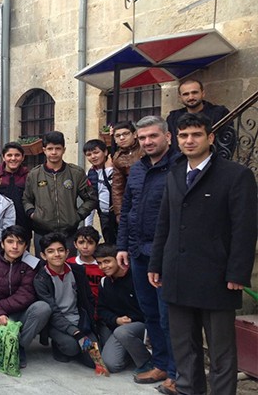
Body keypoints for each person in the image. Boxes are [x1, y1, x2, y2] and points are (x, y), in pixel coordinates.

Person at [149, 112, 257, 395]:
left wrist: (238, 272)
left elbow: (245, 229)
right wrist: (156, 263)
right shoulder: (175, 174)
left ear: (210, 138)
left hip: (217, 276)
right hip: (177, 273)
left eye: (196, 135)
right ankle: (188, 390)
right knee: (184, 346)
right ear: (176, 139)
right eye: (183, 135)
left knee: (221, 351)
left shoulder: (236, 175)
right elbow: (165, 223)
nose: (189, 140)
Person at [116, 115, 179, 392]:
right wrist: (122, 246)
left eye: (153, 136)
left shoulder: (179, 167)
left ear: (168, 136)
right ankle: (161, 363)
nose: (147, 142)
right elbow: (128, 210)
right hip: (138, 253)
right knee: (150, 313)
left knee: (169, 317)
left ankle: (177, 372)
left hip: (165, 255)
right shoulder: (138, 168)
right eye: (142, 138)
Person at [0, 226, 51, 368]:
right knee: (8, 331)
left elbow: (26, 295)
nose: (15, 246)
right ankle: (9, 344)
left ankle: (19, 347)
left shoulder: (31, 265)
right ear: (2, 244)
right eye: (10, 241)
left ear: (25, 246)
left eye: (20, 243)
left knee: (42, 308)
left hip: (21, 312)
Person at [23, 131, 97, 255]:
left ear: (64, 150)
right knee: (43, 265)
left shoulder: (76, 173)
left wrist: (78, 216)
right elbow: (26, 199)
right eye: (50, 149)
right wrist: (33, 214)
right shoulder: (34, 174)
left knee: (68, 265)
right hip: (42, 233)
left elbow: (91, 199)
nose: (53, 152)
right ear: (44, 150)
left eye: (57, 148)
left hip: (68, 233)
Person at [33, 232, 96, 367]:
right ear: (43, 255)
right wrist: (75, 332)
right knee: (71, 347)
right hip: (56, 323)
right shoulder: (41, 279)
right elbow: (52, 311)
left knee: (94, 361)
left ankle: (79, 349)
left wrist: (89, 323)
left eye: (60, 250)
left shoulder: (78, 271)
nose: (57, 254)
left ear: (67, 252)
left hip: (79, 320)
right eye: (51, 251)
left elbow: (88, 299)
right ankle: (60, 345)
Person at [94, 243, 149, 374]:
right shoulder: (104, 282)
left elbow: (148, 307)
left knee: (122, 332)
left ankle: (147, 363)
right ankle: (131, 354)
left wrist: (131, 320)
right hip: (119, 327)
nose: (103, 266)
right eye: (100, 263)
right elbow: (101, 309)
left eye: (107, 261)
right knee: (111, 364)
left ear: (118, 259)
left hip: (142, 325)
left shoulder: (137, 277)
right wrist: (116, 320)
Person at [165, 79, 235, 159]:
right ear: (180, 97)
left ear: (203, 93)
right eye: (186, 94)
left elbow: (228, 141)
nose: (191, 97)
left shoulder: (219, 113)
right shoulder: (173, 117)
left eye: (194, 92)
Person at [82, 139, 116, 244]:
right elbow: (91, 199)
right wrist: (88, 226)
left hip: (119, 214)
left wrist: (109, 170)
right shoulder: (90, 173)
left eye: (96, 152)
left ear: (105, 152)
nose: (93, 156)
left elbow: (116, 188)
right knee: (109, 245)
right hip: (104, 215)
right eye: (89, 155)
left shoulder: (115, 168)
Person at [110, 121, 143, 222]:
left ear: (135, 134)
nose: (122, 138)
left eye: (125, 134)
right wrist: (119, 212)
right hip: (132, 199)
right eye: (118, 136)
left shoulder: (144, 149)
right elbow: (117, 186)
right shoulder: (117, 157)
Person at [66, 226, 104, 303]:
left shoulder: (102, 265)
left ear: (96, 245)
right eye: (81, 242)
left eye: (90, 243)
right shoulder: (69, 263)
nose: (85, 247)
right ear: (75, 244)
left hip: (100, 304)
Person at [0, 142, 30, 231]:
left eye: (17, 155)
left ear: (23, 157)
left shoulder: (29, 176)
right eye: (9, 155)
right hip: (0, 226)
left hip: (23, 226)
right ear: (3, 157)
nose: (13, 158)